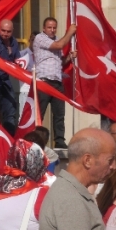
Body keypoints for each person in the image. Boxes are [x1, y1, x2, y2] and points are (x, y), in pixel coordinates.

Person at [32, 17, 78, 149]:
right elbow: (59, 45)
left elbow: (59, 62)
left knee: (59, 114)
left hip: (57, 81)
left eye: (54, 27)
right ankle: (37, 141)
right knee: (40, 114)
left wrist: (69, 57)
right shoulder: (40, 38)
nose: (52, 30)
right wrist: (70, 32)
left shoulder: (57, 39)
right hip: (43, 81)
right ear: (44, 28)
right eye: (49, 27)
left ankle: (59, 140)